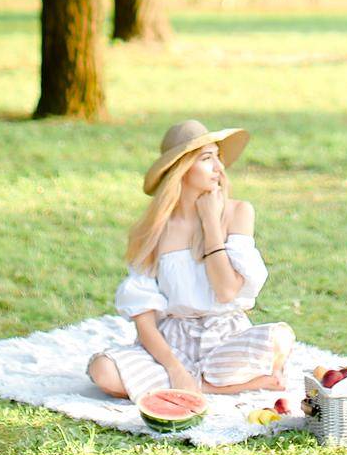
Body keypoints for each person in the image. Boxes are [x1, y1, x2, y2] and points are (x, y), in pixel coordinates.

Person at [86, 119, 296, 401]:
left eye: (218, 158)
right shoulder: (155, 230)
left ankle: (202, 383)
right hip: (173, 342)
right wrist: (174, 368)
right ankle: (213, 385)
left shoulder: (237, 213)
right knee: (103, 370)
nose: (219, 168)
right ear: (181, 169)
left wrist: (210, 223)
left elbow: (226, 292)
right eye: (207, 159)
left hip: (227, 337)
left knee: (279, 339)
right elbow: (144, 320)